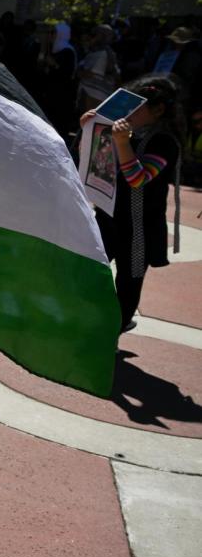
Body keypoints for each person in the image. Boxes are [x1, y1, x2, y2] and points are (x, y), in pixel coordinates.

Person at [81, 74, 184, 333]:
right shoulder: (125, 133)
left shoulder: (164, 142)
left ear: (158, 110)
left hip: (140, 230)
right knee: (88, 268)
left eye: (136, 107)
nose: (128, 113)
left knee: (129, 281)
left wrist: (122, 143)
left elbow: (138, 179)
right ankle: (94, 322)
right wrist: (89, 129)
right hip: (108, 217)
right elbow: (94, 164)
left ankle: (117, 325)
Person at [76, 24, 120, 112]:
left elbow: (87, 73)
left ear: (101, 36)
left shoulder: (101, 53)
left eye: (94, 34)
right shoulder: (104, 51)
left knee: (89, 119)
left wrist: (79, 71)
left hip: (94, 94)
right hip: (99, 93)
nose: (91, 37)